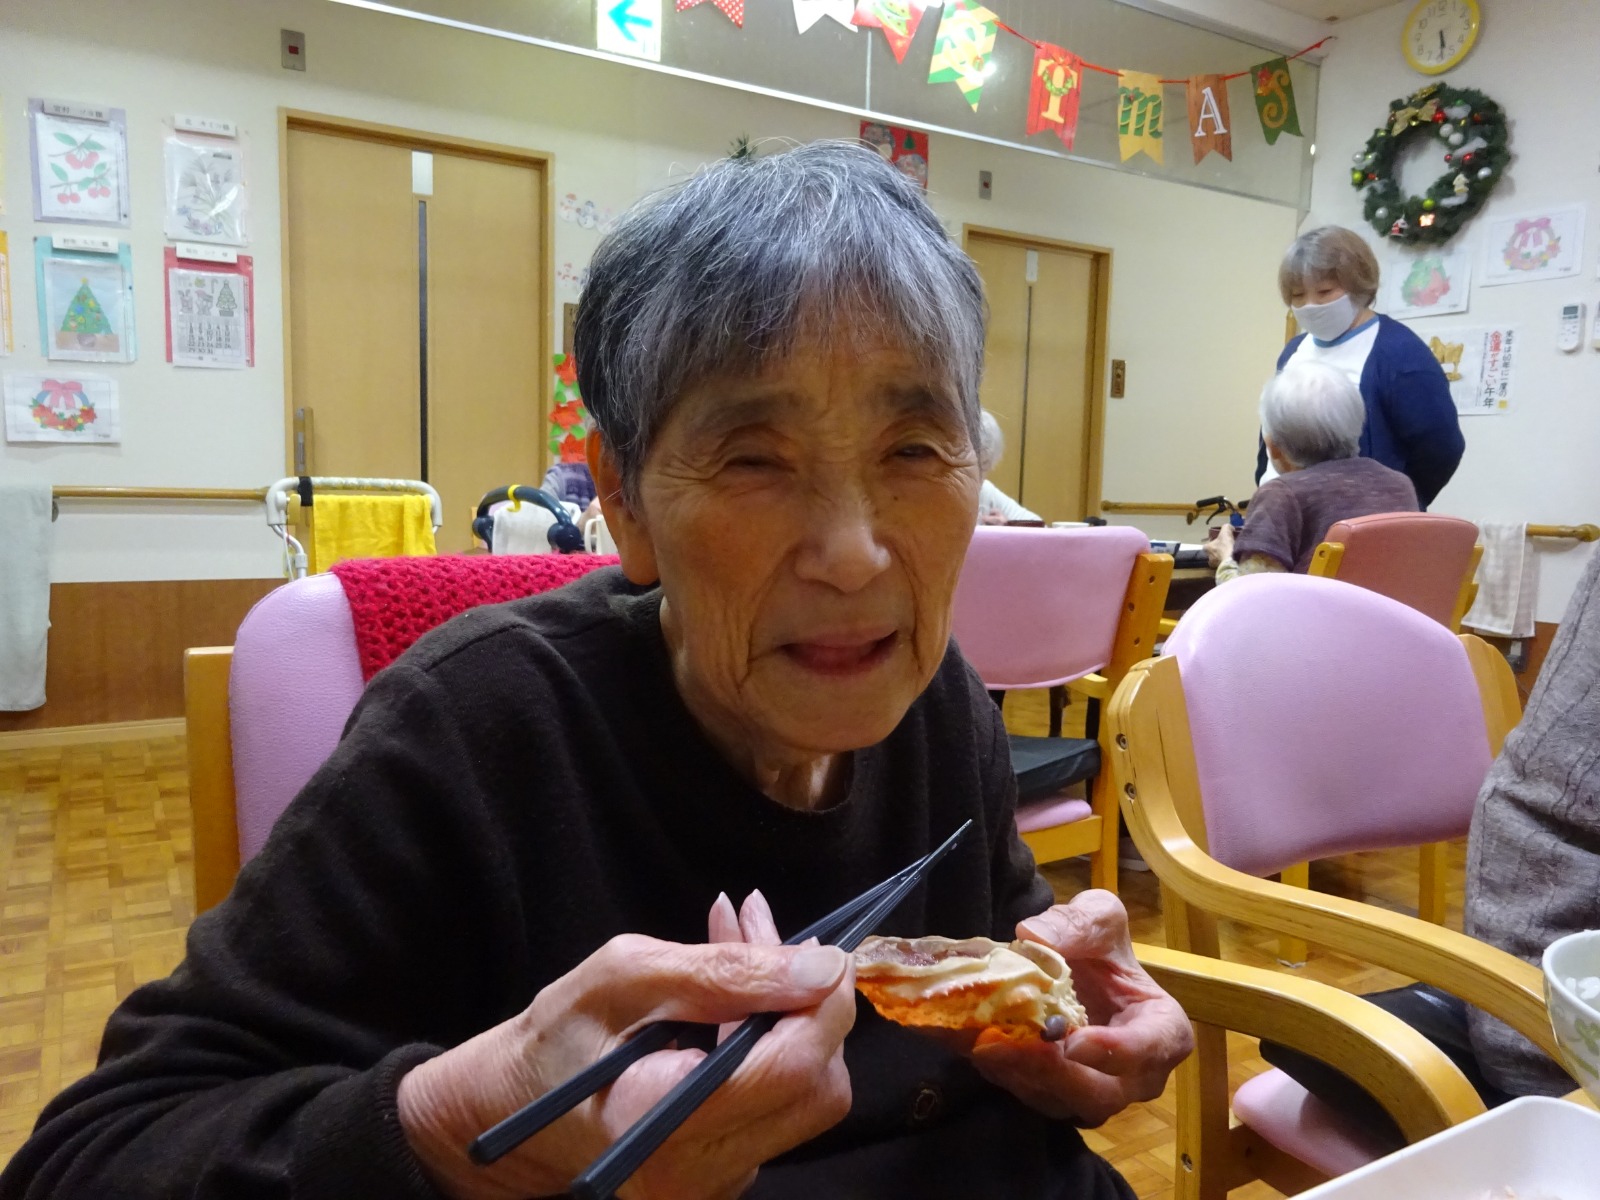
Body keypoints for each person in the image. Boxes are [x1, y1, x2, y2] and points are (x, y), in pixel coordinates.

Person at [0, 144, 1192, 1200]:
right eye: (754, 459)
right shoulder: (476, 729)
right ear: (620, 496)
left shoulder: (936, 698)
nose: (852, 554)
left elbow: (998, 957)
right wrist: (467, 1124)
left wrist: (1059, 1025)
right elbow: (94, 1155)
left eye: (916, 448)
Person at [1259, 226, 1463, 509]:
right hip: (1283, 509)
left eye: (1324, 291)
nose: (1310, 305)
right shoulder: (1293, 351)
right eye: (1298, 295)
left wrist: (1395, 502)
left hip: (1362, 520)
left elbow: (1441, 448)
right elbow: (1271, 435)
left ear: (1357, 285)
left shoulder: (1400, 354)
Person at [1209, 362, 1418, 583]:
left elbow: (1254, 595)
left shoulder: (1280, 495)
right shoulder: (1401, 485)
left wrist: (1225, 557)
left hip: (1320, 608)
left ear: (1273, 447)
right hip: (1397, 607)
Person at [976, 410, 1040, 524]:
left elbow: (1039, 528)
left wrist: (1008, 528)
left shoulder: (985, 491)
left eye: (983, 465)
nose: (975, 475)